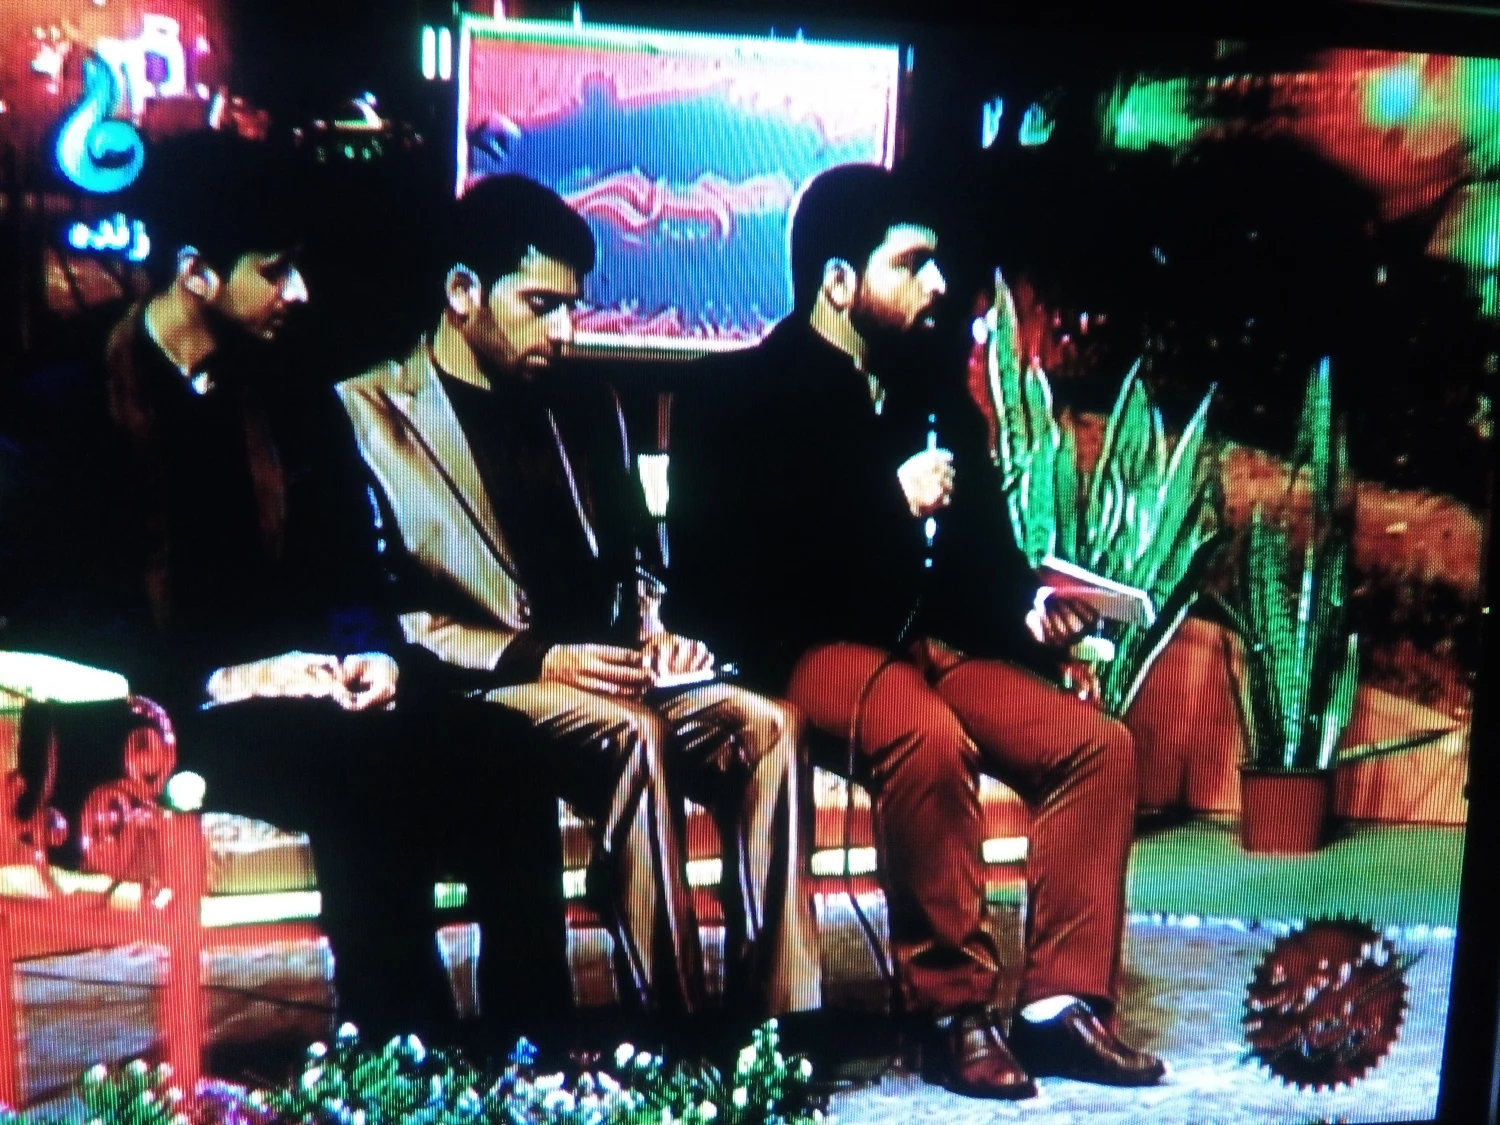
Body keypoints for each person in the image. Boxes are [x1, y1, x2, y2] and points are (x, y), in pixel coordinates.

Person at [0, 130, 572, 1045]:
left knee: (503, 747)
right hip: (152, 715)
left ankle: (531, 1048)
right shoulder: (62, 404)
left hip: (299, 697)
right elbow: (54, 615)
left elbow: (351, 564)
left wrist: (372, 653)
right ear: (197, 272)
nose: (298, 292)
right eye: (275, 270)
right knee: (359, 770)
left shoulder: (291, 392)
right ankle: (403, 1053)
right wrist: (229, 676)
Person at [666, 163, 1165, 1099]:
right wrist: (884, 504)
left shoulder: (931, 395)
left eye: (936, 263)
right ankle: (949, 1010)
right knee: (924, 736)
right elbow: (728, 580)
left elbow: (982, 565)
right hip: (808, 649)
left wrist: (1034, 613)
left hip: (931, 649)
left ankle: (1058, 1006)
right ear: (838, 281)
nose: (938, 284)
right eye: (911, 264)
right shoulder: (735, 396)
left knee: (1095, 747)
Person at [332, 174, 823, 1038]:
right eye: (541, 306)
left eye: (572, 307)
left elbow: (636, 557)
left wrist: (660, 629)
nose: (564, 330)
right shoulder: (369, 410)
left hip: (611, 667)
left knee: (770, 727)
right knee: (633, 736)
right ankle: (674, 1028)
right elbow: (383, 611)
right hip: (486, 684)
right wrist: (541, 658)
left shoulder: (587, 402)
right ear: (462, 293)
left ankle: (782, 1024)